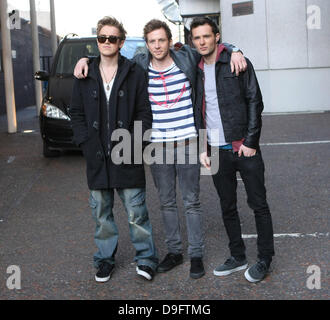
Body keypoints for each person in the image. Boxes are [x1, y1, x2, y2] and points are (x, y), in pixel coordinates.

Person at [74, 19, 247, 279]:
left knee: (191, 202)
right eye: (152, 41)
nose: (157, 45)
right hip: (158, 147)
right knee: (166, 202)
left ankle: (196, 254)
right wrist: (86, 58)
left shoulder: (186, 57)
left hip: (189, 141)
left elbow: (210, 46)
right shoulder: (140, 65)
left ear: (170, 41)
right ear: (146, 44)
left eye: (161, 40)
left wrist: (235, 49)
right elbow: (110, 53)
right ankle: (175, 252)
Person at [70, 16, 158, 283]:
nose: (106, 42)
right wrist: (86, 142)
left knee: (136, 212)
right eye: (102, 38)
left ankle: (146, 259)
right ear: (97, 41)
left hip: (127, 154)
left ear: (120, 42)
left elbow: (145, 112)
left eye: (112, 38)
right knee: (101, 214)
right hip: (96, 156)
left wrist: (133, 144)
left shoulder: (135, 72)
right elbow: (76, 112)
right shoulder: (84, 73)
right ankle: (105, 260)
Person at [190, 17, 275, 283]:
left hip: (243, 147)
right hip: (215, 150)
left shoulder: (238, 62)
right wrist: (203, 146)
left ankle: (264, 259)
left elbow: (254, 101)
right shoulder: (196, 67)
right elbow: (199, 110)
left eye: (207, 36)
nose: (202, 41)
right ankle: (237, 256)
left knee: (258, 204)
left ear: (217, 37)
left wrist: (251, 141)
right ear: (193, 41)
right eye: (197, 38)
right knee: (227, 206)